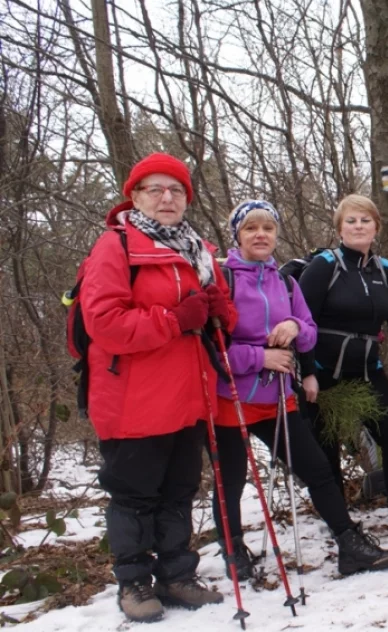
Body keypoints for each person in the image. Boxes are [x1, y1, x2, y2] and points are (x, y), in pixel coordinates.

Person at [79, 153, 232, 622]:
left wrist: (218, 313)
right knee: (134, 494)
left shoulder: (198, 251)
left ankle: (176, 574)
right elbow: (104, 322)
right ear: (136, 196)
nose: (167, 198)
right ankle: (133, 582)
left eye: (177, 190)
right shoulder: (116, 246)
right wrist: (173, 319)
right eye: (155, 190)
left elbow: (218, 313)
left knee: (179, 489)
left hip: (188, 395)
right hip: (133, 398)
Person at [211, 199, 388, 581]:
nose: (261, 235)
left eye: (268, 228)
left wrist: (295, 328)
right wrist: (258, 357)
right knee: (229, 480)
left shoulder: (285, 281)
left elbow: (310, 330)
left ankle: (349, 543)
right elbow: (210, 347)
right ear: (238, 235)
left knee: (317, 470)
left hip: (278, 398)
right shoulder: (222, 281)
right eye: (251, 228)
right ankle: (233, 551)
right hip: (230, 398)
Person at [298, 194, 388, 536]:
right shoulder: (323, 266)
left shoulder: (383, 270)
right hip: (324, 373)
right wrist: (308, 372)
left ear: (376, 226)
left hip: (367, 370)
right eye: (351, 221)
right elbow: (300, 320)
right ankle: (338, 520)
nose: (358, 227)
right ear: (340, 228)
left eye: (365, 220)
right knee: (326, 446)